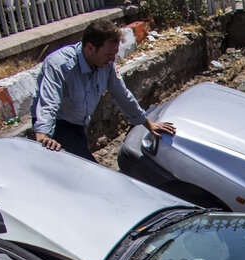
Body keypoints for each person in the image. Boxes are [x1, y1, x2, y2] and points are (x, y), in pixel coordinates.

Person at [31, 18, 175, 160]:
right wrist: (43, 136)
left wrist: (147, 123)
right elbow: (48, 103)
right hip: (58, 125)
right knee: (87, 170)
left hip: (78, 125)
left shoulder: (106, 65)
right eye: (108, 54)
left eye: (115, 54)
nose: (113, 59)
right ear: (90, 48)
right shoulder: (59, 65)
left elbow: (122, 95)